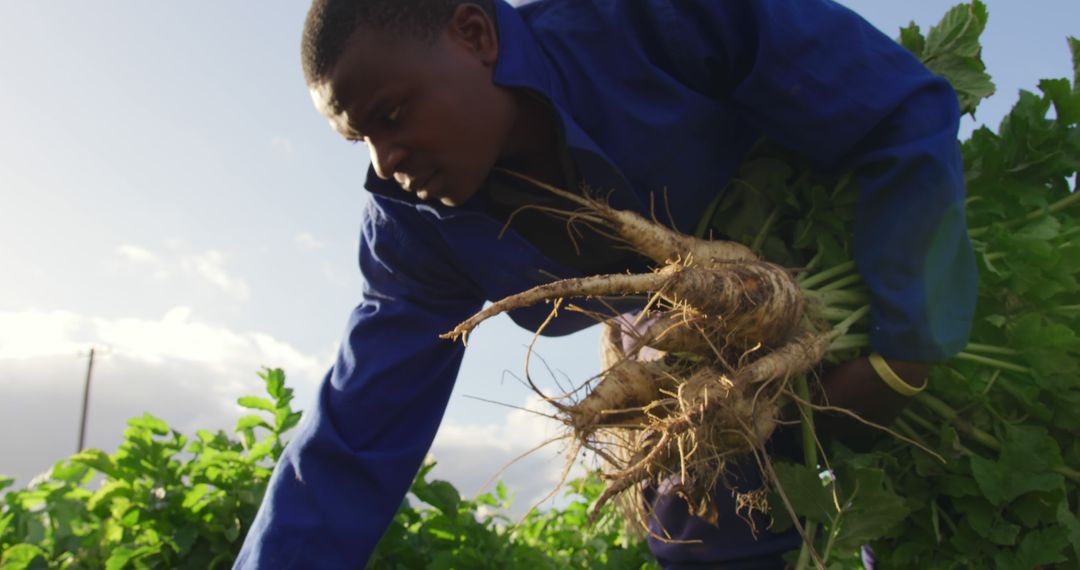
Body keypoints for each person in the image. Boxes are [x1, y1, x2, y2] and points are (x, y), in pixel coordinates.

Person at [234, 0, 976, 567]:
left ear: (475, 36)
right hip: (692, 354)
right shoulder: (412, 226)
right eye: (359, 139)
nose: (385, 160)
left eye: (392, 115)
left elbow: (898, 111)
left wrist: (902, 358)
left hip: (874, 267)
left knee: (941, 503)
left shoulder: (647, 20)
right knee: (698, 530)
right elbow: (356, 430)